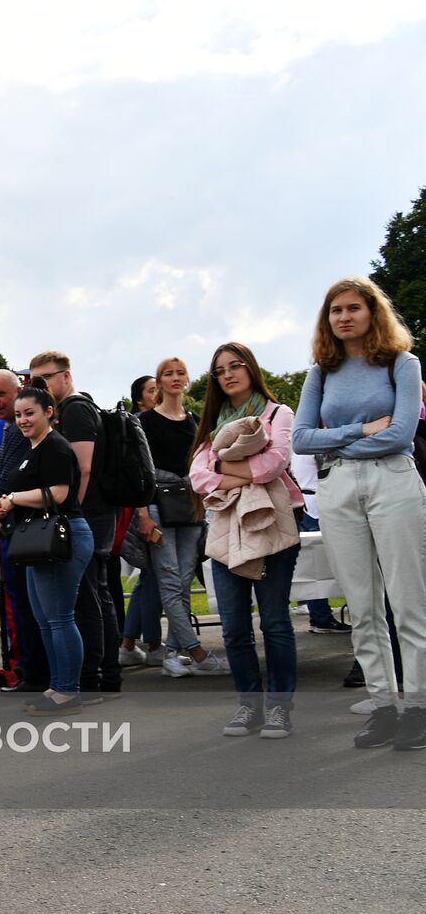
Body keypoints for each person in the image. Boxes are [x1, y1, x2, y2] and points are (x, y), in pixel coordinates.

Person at [293, 277, 426, 750]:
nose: (344, 316)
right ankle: (384, 706)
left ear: (373, 312)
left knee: (409, 601)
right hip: (338, 486)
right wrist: (362, 428)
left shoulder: (401, 363)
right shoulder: (321, 373)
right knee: (364, 606)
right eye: (335, 310)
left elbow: (402, 433)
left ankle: (417, 708)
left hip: (392, 478)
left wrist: (341, 437)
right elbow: (300, 438)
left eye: (353, 308)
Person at [191, 343, 302, 738]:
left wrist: (221, 465)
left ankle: (279, 708)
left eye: (235, 366)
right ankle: (248, 706)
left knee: (274, 621)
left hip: (271, 522)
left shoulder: (277, 413)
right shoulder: (212, 422)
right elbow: (197, 477)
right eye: (220, 370)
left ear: (251, 369)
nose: (228, 374)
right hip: (224, 526)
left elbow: (276, 463)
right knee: (234, 627)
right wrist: (240, 471)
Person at [0, 377, 94, 716]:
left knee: (60, 619)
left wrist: (12, 498)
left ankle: (69, 691)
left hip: (63, 537)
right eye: (18, 414)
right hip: (40, 541)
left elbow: (59, 493)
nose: (22, 420)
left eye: (29, 413)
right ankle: (58, 685)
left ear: (49, 412)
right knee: (46, 619)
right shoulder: (34, 448)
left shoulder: (56, 447)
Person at [28, 351, 120, 698]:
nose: (41, 387)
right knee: (92, 595)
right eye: (34, 381)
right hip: (88, 514)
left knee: (88, 598)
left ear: (66, 376)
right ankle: (101, 674)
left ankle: (96, 676)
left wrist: (67, 512)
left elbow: (83, 468)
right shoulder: (67, 410)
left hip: (88, 515)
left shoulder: (76, 409)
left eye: (46, 379)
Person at [135, 358, 230, 679]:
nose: (175, 378)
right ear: (158, 382)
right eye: (168, 374)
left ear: (188, 379)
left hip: (191, 504)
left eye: (180, 373)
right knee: (170, 580)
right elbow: (140, 474)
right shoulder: (144, 421)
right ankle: (196, 652)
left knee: (185, 579)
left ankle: (173, 653)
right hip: (159, 505)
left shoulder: (194, 420)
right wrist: (143, 514)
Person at [0, 369, 49, 693]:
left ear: (19, 390)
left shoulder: (16, 430)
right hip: (16, 529)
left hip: (22, 530)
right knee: (26, 604)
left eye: (0, 394)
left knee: (28, 606)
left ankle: (34, 672)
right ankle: (32, 669)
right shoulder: (8, 428)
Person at [118, 375, 167, 667]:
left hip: (147, 508)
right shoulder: (141, 425)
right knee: (154, 577)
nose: (157, 393)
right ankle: (152, 643)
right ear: (140, 400)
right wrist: (145, 512)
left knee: (149, 577)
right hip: (147, 509)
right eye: (152, 391)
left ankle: (128, 642)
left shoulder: (153, 422)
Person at [287, 451, 348, 633]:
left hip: (310, 502)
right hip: (316, 503)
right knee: (318, 565)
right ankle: (321, 617)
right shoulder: (309, 446)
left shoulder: (297, 444)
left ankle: (320, 616)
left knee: (314, 565)